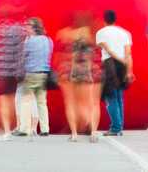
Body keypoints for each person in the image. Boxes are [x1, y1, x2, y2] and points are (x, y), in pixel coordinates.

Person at [57, 10, 100, 142]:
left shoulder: (64, 33)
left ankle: (75, 133)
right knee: (92, 103)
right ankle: (92, 131)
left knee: (70, 102)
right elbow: (95, 52)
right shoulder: (90, 33)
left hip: (69, 70)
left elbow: (60, 54)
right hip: (89, 70)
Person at [0, 11, 28, 140]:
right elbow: (23, 47)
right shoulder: (18, 31)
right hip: (13, 73)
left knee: (2, 102)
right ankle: (13, 127)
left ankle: (7, 130)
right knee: (12, 101)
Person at [95, 10, 134, 137]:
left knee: (110, 97)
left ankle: (116, 127)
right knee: (119, 97)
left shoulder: (100, 33)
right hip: (122, 64)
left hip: (109, 64)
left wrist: (117, 58)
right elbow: (128, 53)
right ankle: (119, 126)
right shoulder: (124, 33)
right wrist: (129, 70)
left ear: (104, 20)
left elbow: (106, 48)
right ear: (115, 19)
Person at [16, 17, 53, 137]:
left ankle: (24, 129)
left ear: (34, 28)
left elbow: (23, 56)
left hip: (31, 74)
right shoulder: (48, 40)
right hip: (44, 74)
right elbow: (49, 54)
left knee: (26, 101)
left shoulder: (29, 41)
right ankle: (45, 129)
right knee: (42, 102)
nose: (26, 27)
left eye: (28, 26)